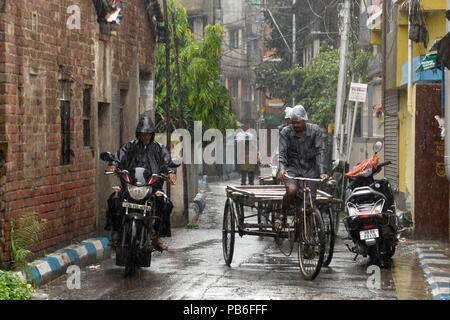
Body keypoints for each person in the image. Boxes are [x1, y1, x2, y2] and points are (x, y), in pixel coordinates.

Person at [104, 114, 177, 251]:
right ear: (138, 133)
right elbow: (118, 157)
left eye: (148, 134)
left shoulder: (159, 148)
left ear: (152, 134)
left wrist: (171, 172)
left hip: (152, 187)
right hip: (130, 186)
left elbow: (168, 163)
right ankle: (116, 232)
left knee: (165, 203)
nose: (146, 136)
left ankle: (157, 236)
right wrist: (113, 164)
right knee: (114, 198)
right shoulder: (130, 146)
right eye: (143, 133)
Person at [276, 105, 328, 229]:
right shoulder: (286, 132)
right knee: (292, 190)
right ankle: (282, 215)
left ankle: (308, 236)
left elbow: (320, 151)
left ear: (304, 120)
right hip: (292, 169)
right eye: (293, 123)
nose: (295, 125)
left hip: (310, 171)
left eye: (298, 122)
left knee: (309, 205)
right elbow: (282, 153)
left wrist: (322, 172)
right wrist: (282, 168)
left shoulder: (315, 131)